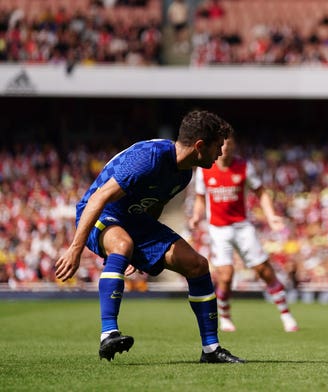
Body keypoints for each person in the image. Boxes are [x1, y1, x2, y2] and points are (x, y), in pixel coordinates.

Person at [55, 110, 245, 364]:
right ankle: (108, 334)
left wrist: (143, 252)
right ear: (200, 146)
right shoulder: (150, 158)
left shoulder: (184, 173)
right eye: (217, 147)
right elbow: (99, 197)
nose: (221, 153)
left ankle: (211, 349)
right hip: (101, 213)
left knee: (198, 265)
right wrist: (75, 249)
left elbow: (153, 207)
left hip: (135, 220)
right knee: (122, 244)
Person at [189, 135, 298, 332]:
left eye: (228, 145)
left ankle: (286, 315)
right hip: (218, 229)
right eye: (221, 145)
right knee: (226, 275)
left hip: (242, 226)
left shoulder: (244, 166)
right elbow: (199, 198)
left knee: (264, 270)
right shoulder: (204, 170)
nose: (224, 149)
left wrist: (271, 215)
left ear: (233, 146)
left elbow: (261, 192)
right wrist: (197, 216)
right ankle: (225, 316)